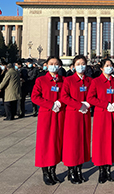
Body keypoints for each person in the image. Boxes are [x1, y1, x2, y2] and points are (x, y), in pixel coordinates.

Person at [31, 56, 66, 186]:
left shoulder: (63, 81)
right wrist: (50, 104)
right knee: (45, 143)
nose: (54, 66)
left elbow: (67, 95)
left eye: (56, 64)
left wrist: (60, 103)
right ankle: (45, 172)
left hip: (60, 115)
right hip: (46, 115)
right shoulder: (41, 80)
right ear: (47, 65)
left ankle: (53, 171)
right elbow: (35, 97)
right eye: (51, 63)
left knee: (56, 143)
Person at [87, 59, 114, 184]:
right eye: (107, 66)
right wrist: (105, 104)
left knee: (111, 141)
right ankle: (101, 170)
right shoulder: (96, 81)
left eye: (111, 66)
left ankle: (108, 169)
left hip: (113, 115)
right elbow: (90, 98)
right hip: (101, 115)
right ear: (101, 68)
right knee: (101, 142)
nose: (109, 68)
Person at [60, 55, 93, 184]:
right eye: (78, 63)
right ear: (73, 66)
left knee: (83, 142)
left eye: (83, 63)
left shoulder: (89, 80)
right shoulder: (68, 80)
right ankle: (71, 171)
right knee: (72, 143)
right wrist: (79, 105)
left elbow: (93, 94)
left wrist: (89, 103)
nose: (81, 66)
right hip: (73, 115)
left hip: (85, 115)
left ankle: (79, 169)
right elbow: (64, 97)